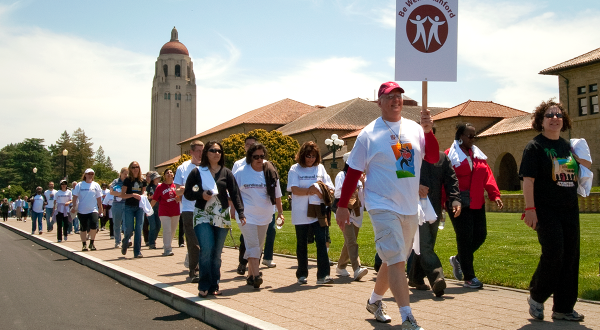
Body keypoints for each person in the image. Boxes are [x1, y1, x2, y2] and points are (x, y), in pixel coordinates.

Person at [336, 82, 439, 329]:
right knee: (396, 260)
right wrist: (342, 206)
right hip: (381, 205)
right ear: (379, 102)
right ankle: (408, 318)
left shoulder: (415, 128)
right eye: (390, 97)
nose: (396, 100)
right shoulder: (369, 134)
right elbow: (353, 171)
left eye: (399, 96)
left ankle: (374, 301)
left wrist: (429, 131)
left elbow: (433, 158)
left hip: (408, 205)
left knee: (393, 260)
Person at [520, 100, 586, 322]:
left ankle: (564, 308)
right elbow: (528, 180)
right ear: (541, 120)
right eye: (549, 115)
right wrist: (530, 209)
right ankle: (537, 295)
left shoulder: (568, 147)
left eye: (558, 115)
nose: (555, 118)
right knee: (554, 252)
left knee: (570, 256)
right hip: (545, 210)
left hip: (569, 209)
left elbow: (578, 172)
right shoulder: (535, 147)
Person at [445, 123, 503, 289]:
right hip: (458, 203)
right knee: (465, 238)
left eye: (474, 136)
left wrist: (495, 194)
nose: (473, 139)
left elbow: (487, 175)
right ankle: (469, 277)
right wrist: (444, 201)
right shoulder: (451, 155)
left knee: (480, 235)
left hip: (477, 201)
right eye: (469, 136)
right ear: (460, 137)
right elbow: (446, 179)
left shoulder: (477, 155)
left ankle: (458, 259)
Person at [184, 141, 245, 297]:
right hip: (202, 214)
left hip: (221, 215)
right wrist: (201, 195)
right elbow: (188, 193)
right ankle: (203, 285)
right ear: (206, 153)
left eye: (219, 151)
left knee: (216, 253)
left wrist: (241, 213)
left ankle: (214, 284)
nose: (216, 153)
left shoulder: (226, 173)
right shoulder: (197, 172)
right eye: (212, 150)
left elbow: (235, 194)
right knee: (207, 248)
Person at [408, 148, 461, 297]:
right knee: (425, 243)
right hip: (413, 206)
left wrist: (455, 199)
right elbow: (399, 177)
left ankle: (415, 278)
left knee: (428, 243)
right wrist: (415, 186)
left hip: (434, 207)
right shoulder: (407, 152)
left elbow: (451, 179)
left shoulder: (442, 158)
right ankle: (437, 277)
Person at [234, 143, 284, 288]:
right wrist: (233, 209)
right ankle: (256, 276)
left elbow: (277, 194)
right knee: (253, 244)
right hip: (246, 215)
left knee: (258, 246)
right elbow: (232, 193)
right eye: (256, 156)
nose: (259, 159)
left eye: (262, 156)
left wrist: (280, 212)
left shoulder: (270, 171)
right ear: (250, 157)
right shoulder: (241, 172)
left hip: (265, 215)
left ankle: (250, 275)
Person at [288, 141, 334, 285]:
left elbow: (330, 186)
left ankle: (323, 275)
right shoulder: (295, 169)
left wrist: (325, 192)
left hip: (318, 211)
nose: (311, 159)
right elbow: (294, 189)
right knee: (302, 243)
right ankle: (301, 274)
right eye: (308, 156)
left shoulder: (320, 168)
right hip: (301, 213)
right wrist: (310, 190)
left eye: (313, 156)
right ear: (302, 155)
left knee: (321, 241)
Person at [334, 152, 368, 281]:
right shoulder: (341, 175)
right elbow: (338, 193)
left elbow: (364, 195)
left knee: (349, 241)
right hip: (346, 213)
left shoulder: (360, 178)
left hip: (358, 213)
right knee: (352, 241)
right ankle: (357, 268)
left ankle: (341, 266)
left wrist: (363, 183)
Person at [175, 140, 204, 282]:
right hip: (188, 209)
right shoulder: (183, 168)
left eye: (202, 150)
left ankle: (201, 266)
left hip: (205, 209)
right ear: (191, 152)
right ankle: (194, 270)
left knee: (204, 241)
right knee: (193, 241)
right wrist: (192, 189)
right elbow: (177, 190)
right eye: (197, 151)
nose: (200, 153)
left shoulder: (207, 167)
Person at [72, 169, 103, 251]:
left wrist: (100, 208)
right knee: (83, 227)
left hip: (93, 209)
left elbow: (99, 197)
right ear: (85, 175)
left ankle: (92, 243)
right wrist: (74, 206)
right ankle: (84, 244)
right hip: (82, 210)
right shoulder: (80, 185)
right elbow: (74, 196)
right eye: (88, 174)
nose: (90, 175)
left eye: (92, 174)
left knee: (94, 225)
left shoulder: (96, 185)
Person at [151, 169, 181, 256]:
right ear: (164, 175)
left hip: (175, 211)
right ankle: (167, 249)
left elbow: (182, 197)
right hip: (164, 212)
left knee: (172, 231)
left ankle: (167, 245)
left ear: (173, 175)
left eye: (171, 172)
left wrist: (179, 198)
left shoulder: (176, 186)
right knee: (167, 230)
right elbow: (154, 199)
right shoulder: (160, 187)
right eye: (167, 173)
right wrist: (149, 209)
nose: (169, 174)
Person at [120, 161, 147, 258]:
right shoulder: (127, 180)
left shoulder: (142, 181)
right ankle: (125, 241)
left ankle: (137, 252)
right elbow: (122, 195)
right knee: (129, 229)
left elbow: (144, 194)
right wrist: (132, 195)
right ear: (130, 169)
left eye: (137, 167)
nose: (135, 169)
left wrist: (143, 196)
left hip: (139, 207)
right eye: (133, 167)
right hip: (129, 207)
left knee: (139, 229)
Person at [110, 168, 128, 248]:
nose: (126, 175)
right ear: (120, 173)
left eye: (127, 173)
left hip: (126, 204)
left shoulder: (128, 181)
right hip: (117, 205)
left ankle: (127, 240)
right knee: (117, 223)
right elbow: (111, 191)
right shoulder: (116, 181)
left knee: (126, 223)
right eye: (124, 173)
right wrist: (120, 194)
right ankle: (117, 241)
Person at [146, 171, 162, 249]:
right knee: (153, 225)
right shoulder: (149, 187)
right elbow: (150, 196)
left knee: (158, 226)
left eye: (159, 177)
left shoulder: (159, 187)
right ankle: (151, 243)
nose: (158, 179)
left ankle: (153, 240)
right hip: (151, 208)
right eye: (157, 178)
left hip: (158, 208)